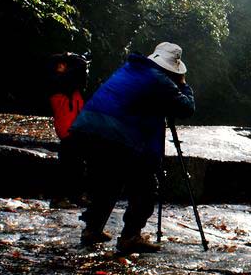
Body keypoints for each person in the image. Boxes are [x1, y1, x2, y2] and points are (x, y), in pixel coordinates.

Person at [70, 42, 194, 254]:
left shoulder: (130, 68)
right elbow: (187, 108)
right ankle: (130, 236)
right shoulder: (160, 81)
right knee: (145, 184)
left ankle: (92, 229)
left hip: (87, 129)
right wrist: (182, 84)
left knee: (108, 180)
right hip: (116, 135)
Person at [47, 54, 87, 208]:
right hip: (67, 127)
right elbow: (78, 68)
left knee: (76, 164)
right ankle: (59, 198)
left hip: (74, 126)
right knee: (67, 164)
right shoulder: (58, 82)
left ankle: (74, 195)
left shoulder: (71, 85)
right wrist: (71, 59)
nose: (63, 67)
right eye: (61, 65)